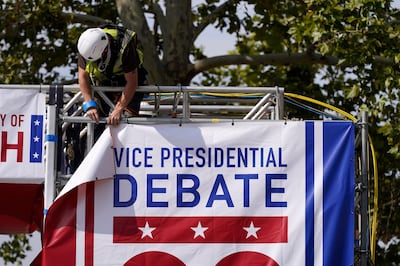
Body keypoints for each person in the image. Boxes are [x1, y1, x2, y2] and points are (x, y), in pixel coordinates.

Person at [77, 24, 147, 126]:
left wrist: (119, 109)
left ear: (105, 49)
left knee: (126, 119)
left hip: (128, 79)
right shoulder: (86, 47)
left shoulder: (125, 46)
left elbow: (132, 82)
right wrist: (90, 104)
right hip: (103, 80)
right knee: (96, 119)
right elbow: (83, 77)